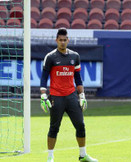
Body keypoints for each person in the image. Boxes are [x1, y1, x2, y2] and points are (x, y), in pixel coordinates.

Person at [40, 28, 98, 162]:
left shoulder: (75, 56)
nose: (62, 42)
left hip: (71, 96)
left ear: (68, 40)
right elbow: (44, 77)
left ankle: (83, 155)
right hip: (56, 97)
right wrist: (43, 95)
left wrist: (82, 95)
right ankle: (50, 157)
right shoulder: (50, 57)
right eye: (60, 40)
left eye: (64, 40)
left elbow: (78, 78)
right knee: (54, 127)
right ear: (56, 41)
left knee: (80, 125)